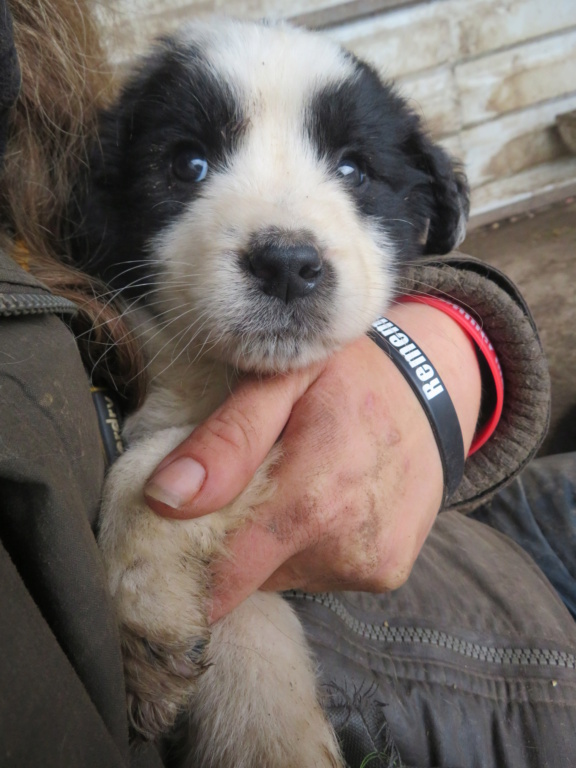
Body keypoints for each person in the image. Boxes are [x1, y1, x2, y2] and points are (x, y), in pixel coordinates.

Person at [0, 2, 575, 767]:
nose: (287, 248)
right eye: (191, 165)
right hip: (499, 688)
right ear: (99, 201)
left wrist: (446, 346)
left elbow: (440, 297)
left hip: (487, 550)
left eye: (350, 167)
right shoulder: (94, 357)